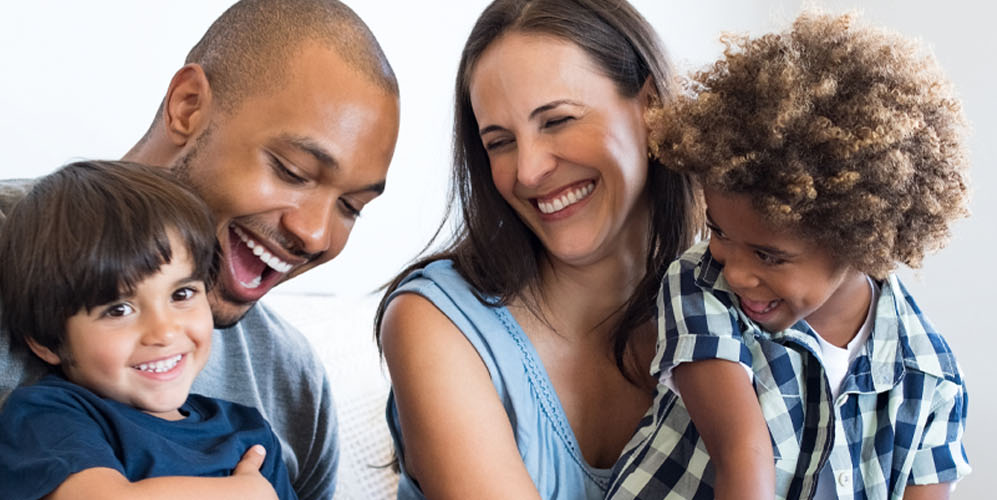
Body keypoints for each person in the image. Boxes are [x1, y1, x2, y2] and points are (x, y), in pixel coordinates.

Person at [0, 1, 400, 499]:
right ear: (188, 107)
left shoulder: (290, 385)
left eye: (351, 206)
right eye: (292, 171)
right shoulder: (24, 267)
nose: (316, 235)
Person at [606, 12, 972, 500]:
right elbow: (743, 455)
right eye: (718, 230)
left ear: (856, 241)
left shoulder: (929, 373)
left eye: (768, 255)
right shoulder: (699, 284)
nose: (735, 271)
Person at [375, 0, 700, 498]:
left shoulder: (733, 301)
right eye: (500, 142)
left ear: (650, 106)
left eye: (557, 121)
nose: (528, 171)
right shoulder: (435, 323)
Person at [0, 161, 297, 500]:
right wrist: (240, 493)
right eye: (119, 309)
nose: (164, 332)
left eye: (182, 294)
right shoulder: (50, 414)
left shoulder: (250, 434)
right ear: (46, 341)